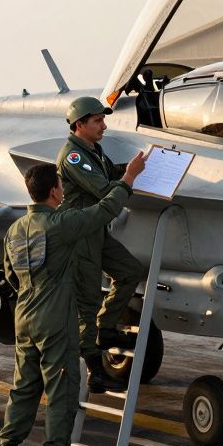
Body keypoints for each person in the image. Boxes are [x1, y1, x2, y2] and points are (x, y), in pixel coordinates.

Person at [0, 156, 146, 446]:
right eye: (61, 185)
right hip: (55, 322)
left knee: (23, 390)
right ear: (54, 191)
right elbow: (104, 212)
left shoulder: (14, 231)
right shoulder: (61, 224)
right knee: (62, 391)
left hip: (25, 320)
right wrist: (128, 179)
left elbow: (11, 276)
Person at [56, 96, 148, 394]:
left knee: (130, 271)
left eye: (103, 119)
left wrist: (142, 164)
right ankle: (96, 371)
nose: (104, 126)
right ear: (79, 125)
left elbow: (108, 172)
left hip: (96, 230)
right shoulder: (73, 156)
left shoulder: (93, 149)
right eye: (97, 121)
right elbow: (103, 188)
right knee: (87, 303)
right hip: (79, 233)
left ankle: (105, 329)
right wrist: (131, 177)